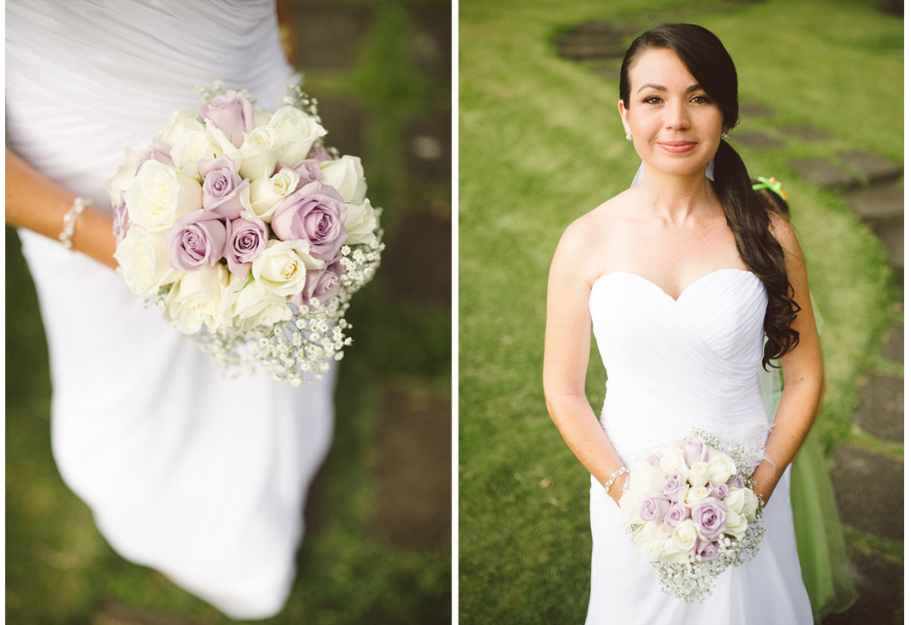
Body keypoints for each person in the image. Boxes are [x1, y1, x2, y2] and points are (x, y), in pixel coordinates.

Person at [6, 1, 335, 619]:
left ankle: (267, 484)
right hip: (78, 141)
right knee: (128, 368)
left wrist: (279, 42)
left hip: (241, 74)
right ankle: (172, 520)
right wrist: (123, 249)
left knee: (273, 333)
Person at [543, 24, 820, 624]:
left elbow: (803, 378)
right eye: (653, 99)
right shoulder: (584, 241)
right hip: (628, 492)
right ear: (624, 114)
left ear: (726, 112)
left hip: (746, 485)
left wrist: (757, 486)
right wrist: (630, 495)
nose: (676, 120)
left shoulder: (767, 233)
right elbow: (563, 389)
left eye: (699, 98)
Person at [751, 178, 859, 621]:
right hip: (749, 409)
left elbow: (808, 370)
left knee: (792, 508)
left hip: (780, 411)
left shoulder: (783, 284)